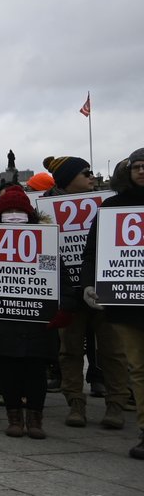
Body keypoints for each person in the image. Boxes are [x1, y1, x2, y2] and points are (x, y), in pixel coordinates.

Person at [0, 187, 64, 439]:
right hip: (1, 320)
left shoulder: (45, 240)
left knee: (35, 370)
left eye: (18, 211)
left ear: (29, 214)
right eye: (8, 211)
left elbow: (58, 276)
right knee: (7, 369)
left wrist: (64, 310)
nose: (13, 215)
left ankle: (35, 418)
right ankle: (14, 416)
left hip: (38, 321)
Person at [46, 154, 127, 428]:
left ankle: (115, 405)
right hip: (68, 290)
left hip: (104, 285)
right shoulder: (44, 211)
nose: (92, 177)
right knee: (69, 350)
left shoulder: (109, 206)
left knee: (113, 350)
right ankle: (75, 404)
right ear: (69, 180)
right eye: (85, 173)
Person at [80, 147, 144, 459]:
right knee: (139, 368)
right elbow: (94, 249)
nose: (142, 171)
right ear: (129, 172)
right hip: (127, 302)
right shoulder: (111, 207)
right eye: (138, 167)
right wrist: (90, 283)